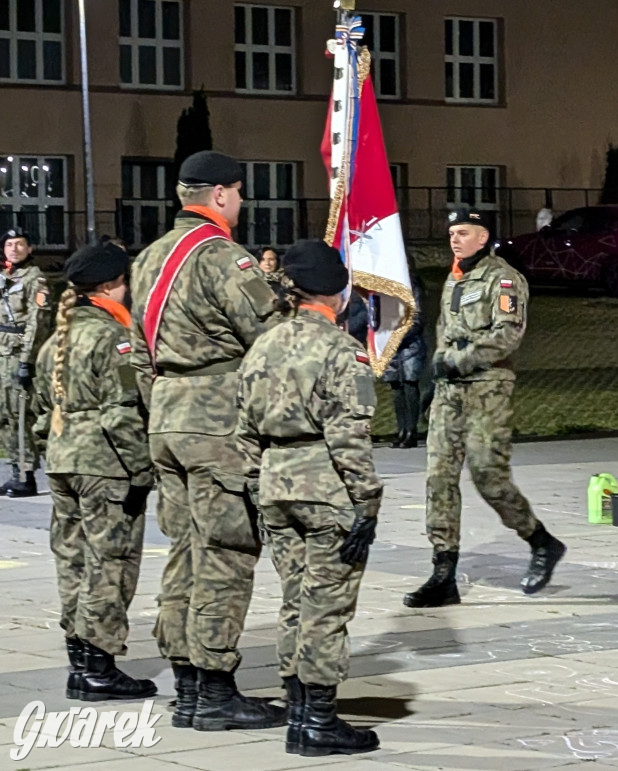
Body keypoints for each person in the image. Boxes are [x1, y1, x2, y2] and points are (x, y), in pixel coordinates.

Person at [130, 150, 285, 730]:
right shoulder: (223, 257)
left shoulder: (148, 258)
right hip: (215, 419)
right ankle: (217, 688)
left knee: (186, 551)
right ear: (219, 194)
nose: (241, 204)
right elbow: (267, 339)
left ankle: (189, 684)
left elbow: (139, 351)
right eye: (239, 194)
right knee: (225, 552)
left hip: (166, 415)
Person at [237, 239, 381, 757]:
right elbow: (349, 434)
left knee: (295, 600)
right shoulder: (344, 351)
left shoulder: (263, 344)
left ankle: (298, 709)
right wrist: (367, 500)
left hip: (276, 484)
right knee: (327, 604)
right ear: (337, 294)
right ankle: (319, 719)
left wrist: (258, 483)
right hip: (325, 488)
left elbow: (243, 427)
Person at [404, 207, 566, 608]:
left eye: (464, 232)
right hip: (449, 392)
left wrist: (458, 360)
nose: (455, 239)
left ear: (483, 237)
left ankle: (540, 540)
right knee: (438, 477)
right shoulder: (454, 278)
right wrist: (437, 372)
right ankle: (443, 571)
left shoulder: (504, 279)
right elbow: (445, 330)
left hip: (488, 386)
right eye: (452, 232)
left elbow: (507, 334)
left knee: (487, 475)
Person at [32, 243, 156, 701]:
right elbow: (121, 412)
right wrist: (142, 472)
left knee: (73, 561)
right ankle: (100, 664)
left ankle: (79, 661)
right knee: (110, 564)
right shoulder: (114, 338)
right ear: (110, 286)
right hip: (106, 465)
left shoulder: (55, 341)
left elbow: (40, 412)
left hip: (63, 461)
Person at [1, 226, 49, 497]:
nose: (14, 249)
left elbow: (38, 319)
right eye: (9, 245)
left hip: (18, 353)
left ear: (29, 248)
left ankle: (27, 473)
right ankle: (15, 471)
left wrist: (27, 360)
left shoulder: (35, 279)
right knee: (4, 416)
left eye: (20, 244)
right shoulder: (5, 277)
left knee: (20, 414)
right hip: (1, 353)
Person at [382, 265, 427, 448]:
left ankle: (411, 430)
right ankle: (401, 429)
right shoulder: (385, 287)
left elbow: (417, 318)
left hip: (410, 344)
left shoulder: (413, 287)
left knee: (409, 384)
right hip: (391, 344)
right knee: (396, 386)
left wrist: (399, 337)